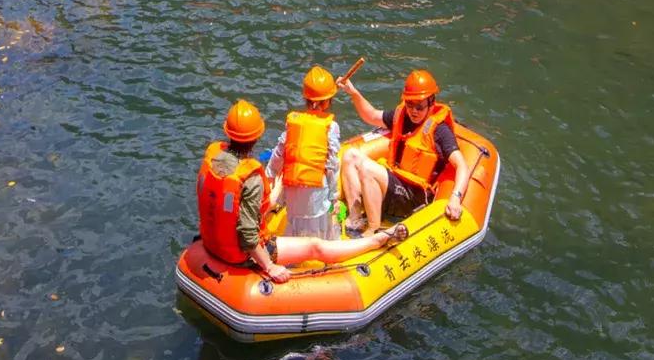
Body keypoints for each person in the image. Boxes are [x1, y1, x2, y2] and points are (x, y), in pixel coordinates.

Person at [197, 102, 409, 284]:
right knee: (315, 247)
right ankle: (377, 240)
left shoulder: (213, 157)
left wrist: (277, 189)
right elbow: (248, 235)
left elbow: (233, 208)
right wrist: (270, 267)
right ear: (256, 136)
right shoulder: (251, 178)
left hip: (212, 243)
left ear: (228, 132)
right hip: (240, 254)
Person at [336, 68, 474, 235]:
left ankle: (372, 230)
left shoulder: (440, 131)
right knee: (350, 155)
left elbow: (462, 166)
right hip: (395, 180)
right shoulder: (402, 115)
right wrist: (353, 92)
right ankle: (356, 219)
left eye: (419, 106)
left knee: (367, 168)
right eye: (410, 104)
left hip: (413, 196)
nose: (414, 111)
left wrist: (456, 198)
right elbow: (371, 116)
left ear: (431, 103)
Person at [266, 66, 341, 239]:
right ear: (328, 101)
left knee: (294, 226)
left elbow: (279, 153)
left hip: (292, 194)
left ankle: (291, 252)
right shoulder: (331, 127)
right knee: (322, 230)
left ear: (306, 98)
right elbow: (332, 165)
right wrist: (334, 196)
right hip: (316, 197)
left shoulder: (293, 123)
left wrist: (270, 174)